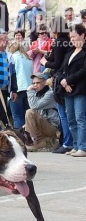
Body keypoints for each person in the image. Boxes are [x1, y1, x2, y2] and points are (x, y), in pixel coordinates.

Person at [40, 16, 73, 154]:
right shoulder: (66, 41)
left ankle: (67, 143)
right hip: (65, 79)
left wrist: (44, 63)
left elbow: (57, 64)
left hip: (60, 80)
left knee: (64, 114)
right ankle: (68, 142)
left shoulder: (59, 42)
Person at [57, 24, 86, 157]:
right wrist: (64, 82)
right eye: (71, 37)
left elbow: (83, 71)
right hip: (67, 90)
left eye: (74, 36)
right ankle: (75, 145)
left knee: (80, 118)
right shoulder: (70, 51)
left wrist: (69, 81)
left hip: (80, 89)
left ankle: (83, 147)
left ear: (82, 35)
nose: (72, 39)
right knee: (71, 119)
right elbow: (63, 69)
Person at [24, 73, 60, 152]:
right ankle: (50, 141)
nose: (35, 85)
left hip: (51, 126)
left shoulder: (50, 93)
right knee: (23, 129)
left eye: (38, 83)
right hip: (42, 127)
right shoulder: (37, 94)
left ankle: (31, 144)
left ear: (44, 82)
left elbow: (33, 106)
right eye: (33, 83)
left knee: (29, 112)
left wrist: (29, 91)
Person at [8, 43, 32, 129]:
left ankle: (19, 139)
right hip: (29, 88)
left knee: (17, 116)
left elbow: (11, 74)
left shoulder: (12, 57)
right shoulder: (28, 58)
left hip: (17, 89)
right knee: (27, 116)